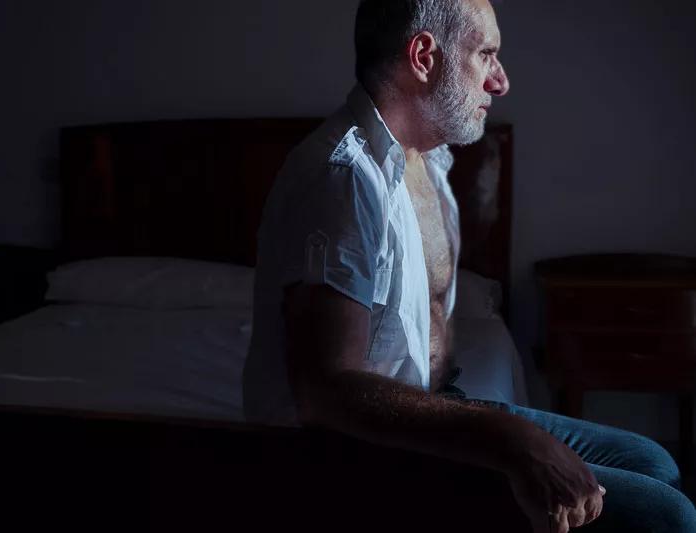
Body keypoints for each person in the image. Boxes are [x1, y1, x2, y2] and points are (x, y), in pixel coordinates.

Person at [242, 0, 696, 531]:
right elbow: (326, 391)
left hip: (432, 409)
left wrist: (486, 424)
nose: (500, 82)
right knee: (667, 515)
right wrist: (508, 439)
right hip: (357, 454)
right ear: (423, 57)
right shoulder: (345, 178)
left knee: (654, 462)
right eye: (485, 54)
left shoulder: (426, 158)